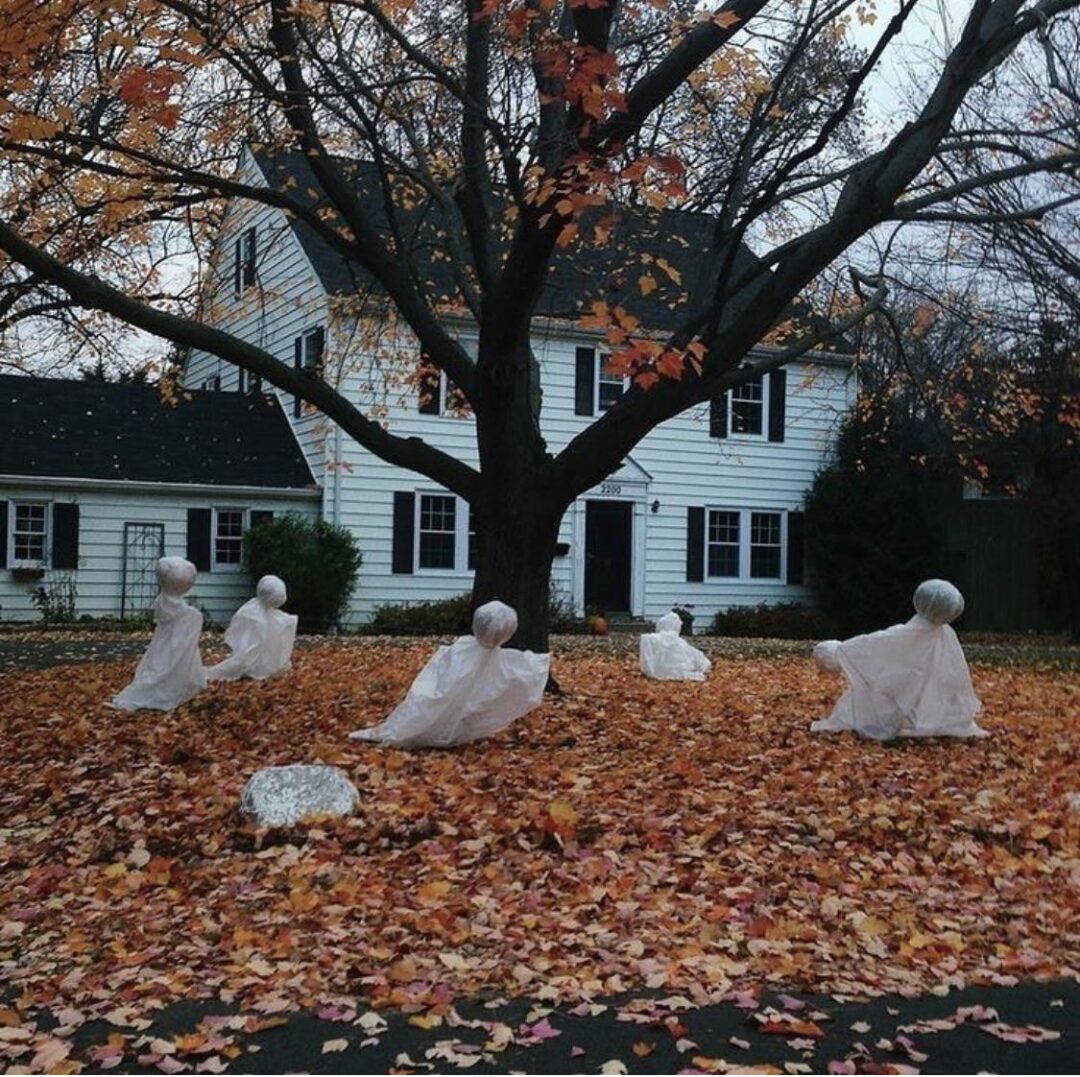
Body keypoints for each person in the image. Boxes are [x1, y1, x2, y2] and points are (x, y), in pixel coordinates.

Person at [350, 600, 550, 748]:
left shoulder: (464, 649)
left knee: (435, 706)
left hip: (448, 713)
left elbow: (440, 681)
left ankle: (413, 730)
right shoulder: (492, 657)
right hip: (456, 719)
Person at [811, 578, 987, 740]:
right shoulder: (944, 635)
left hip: (901, 698)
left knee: (889, 689)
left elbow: (869, 645)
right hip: (924, 703)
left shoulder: (909, 634)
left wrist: (836, 651)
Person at [109, 556, 206, 711]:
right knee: (163, 665)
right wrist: (193, 614)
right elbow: (179, 615)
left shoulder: (165, 599)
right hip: (169, 640)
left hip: (167, 639)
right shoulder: (174, 605)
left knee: (162, 662)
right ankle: (161, 689)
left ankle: (177, 683)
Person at [207, 574, 297, 681]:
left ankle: (258, 664)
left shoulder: (256, 611)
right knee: (253, 646)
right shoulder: (253, 612)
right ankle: (255, 664)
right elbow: (248, 638)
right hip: (253, 657)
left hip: (263, 660)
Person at [639, 610, 711, 681]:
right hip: (672, 667)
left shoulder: (652, 638)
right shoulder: (677, 641)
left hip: (665, 667)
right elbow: (690, 654)